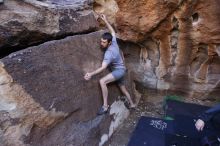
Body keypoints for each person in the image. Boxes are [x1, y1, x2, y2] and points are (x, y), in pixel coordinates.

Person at [84, 14, 136, 115]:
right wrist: (105, 20)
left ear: (109, 43)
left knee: (102, 81)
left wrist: (90, 74)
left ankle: (105, 106)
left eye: (103, 42)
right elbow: (112, 31)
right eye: (101, 41)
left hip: (118, 71)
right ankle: (132, 104)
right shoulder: (114, 42)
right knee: (123, 89)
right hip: (121, 70)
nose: (101, 44)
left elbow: (103, 67)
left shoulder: (109, 53)